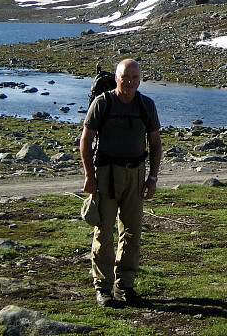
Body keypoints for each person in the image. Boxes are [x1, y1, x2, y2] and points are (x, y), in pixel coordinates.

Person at [80, 58, 162, 307]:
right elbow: (85, 141)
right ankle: (103, 288)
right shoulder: (102, 103)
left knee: (132, 232)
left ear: (140, 80)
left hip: (136, 175)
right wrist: (89, 176)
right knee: (104, 232)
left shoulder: (146, 105)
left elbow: (155, 143)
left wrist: (153, 178)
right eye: (125, 77)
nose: (130, 82)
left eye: (135, 78)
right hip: (106, 175)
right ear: (116, 78)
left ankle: (125, 285)